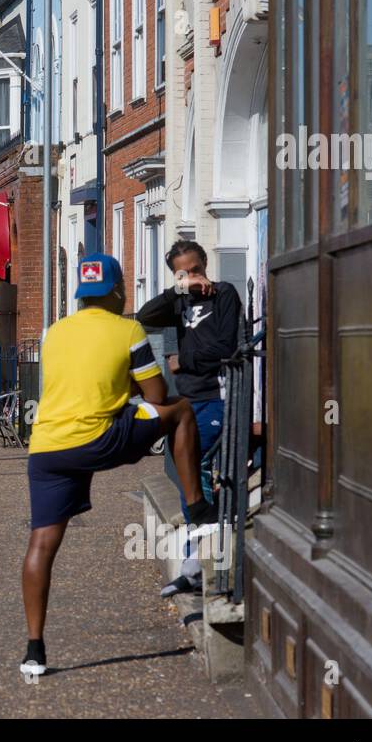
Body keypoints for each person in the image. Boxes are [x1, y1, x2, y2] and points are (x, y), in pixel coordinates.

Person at [19, 253, 215, 677]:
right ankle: (199, 509)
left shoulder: (53, 333)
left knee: (41, 545)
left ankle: (34, 651)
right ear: (116, 290)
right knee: (180, 411)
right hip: (98, 439)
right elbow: (157, 394)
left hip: (47, 448)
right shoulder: (128, 329)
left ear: (80, 293)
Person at [136, 239, 242, 597]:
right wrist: (178, 288)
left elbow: (226, 347)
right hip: (184, 401)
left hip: (215, 395)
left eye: (196, 270)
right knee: (187, 476)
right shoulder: (179, 301)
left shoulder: (224, 295)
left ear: (205, 264)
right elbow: (145, 316)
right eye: (184, 273)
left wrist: (186, 361)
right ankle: (195, 561)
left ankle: (197, 563)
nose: (193, 277)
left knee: (193, 467)